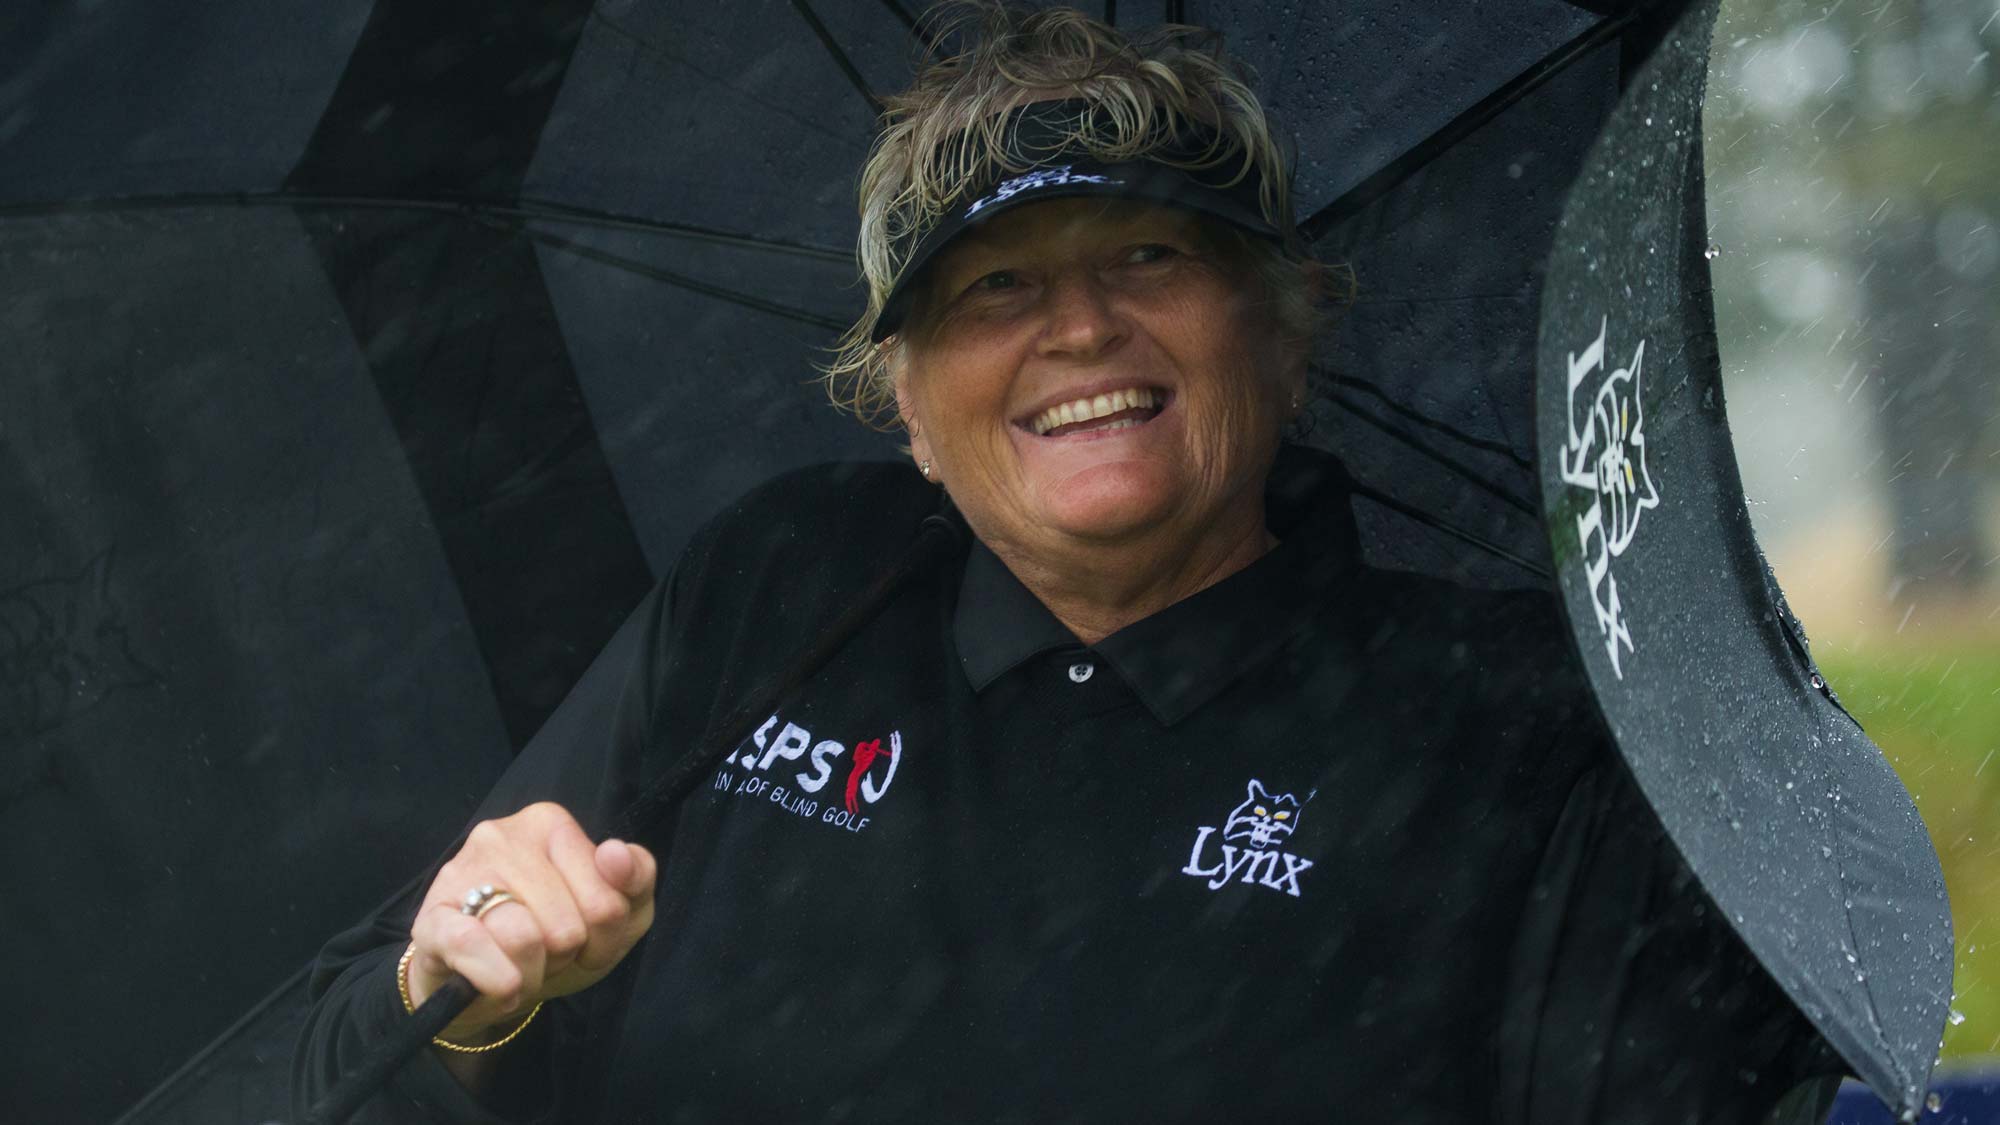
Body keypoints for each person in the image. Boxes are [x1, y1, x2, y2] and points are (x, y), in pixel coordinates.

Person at [293, 4, 1845, 1121]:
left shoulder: (1523, 720)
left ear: (1286, 328)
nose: (1080, 328)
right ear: (902, 401)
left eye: (1151, 256)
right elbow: (356, 1046)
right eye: (994, 288)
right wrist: (471, 1014)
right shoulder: (777, 586)